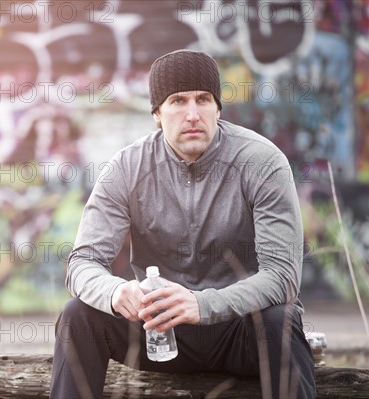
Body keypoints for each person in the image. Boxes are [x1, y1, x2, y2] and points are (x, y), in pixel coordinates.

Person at [49, 49, 316, 398]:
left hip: (240, 332)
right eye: (177, 101)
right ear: (157, 114)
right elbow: (81, 263)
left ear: (218, 108)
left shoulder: (262, 162)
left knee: (280, 321)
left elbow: (282, 277)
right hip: (159, 333)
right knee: (78, 316)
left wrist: (202, 305)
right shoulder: (127, 168)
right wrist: (116, 293)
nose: (192, 114)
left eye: (203, 99)